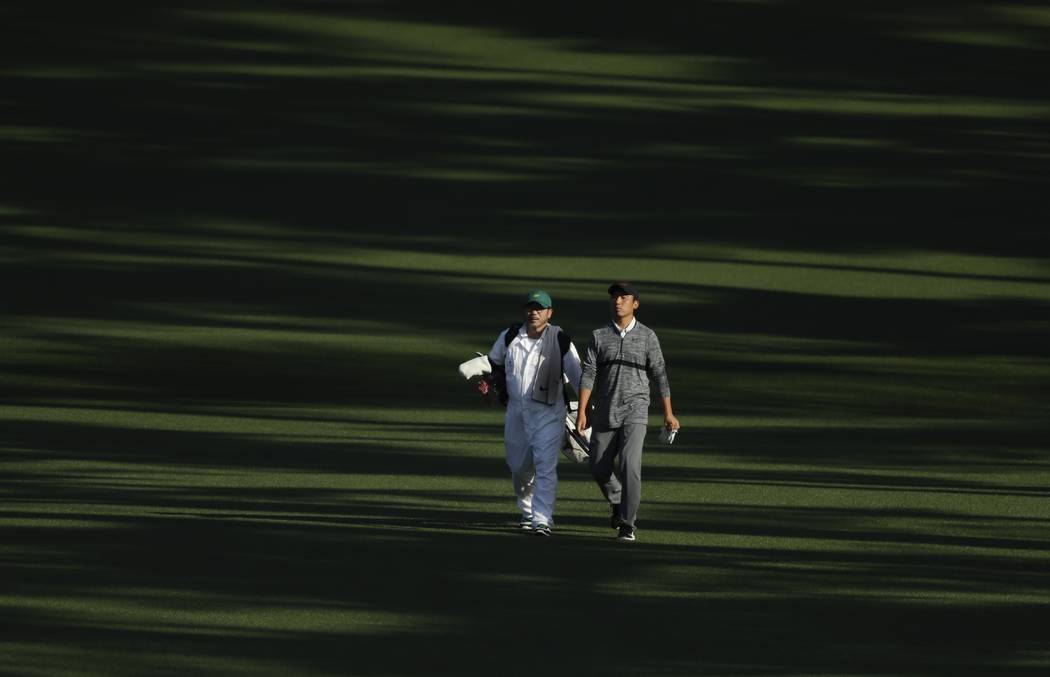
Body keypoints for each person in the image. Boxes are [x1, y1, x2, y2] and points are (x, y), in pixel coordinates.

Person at [576, 282, 679, 542]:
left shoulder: (647, 336)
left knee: (630, 466)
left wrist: (668, 413)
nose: (617, 301)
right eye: (614, 297)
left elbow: (660, 375)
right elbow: (589, 374)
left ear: (635, 304)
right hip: (604, 411)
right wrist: (583, 410)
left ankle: (627, 524)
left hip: (635, 409)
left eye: (624, 297)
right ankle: (617, 501)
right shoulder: (599, 336)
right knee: (598, 467)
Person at [487, 290, 583, 537]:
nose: (534, 312)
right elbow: (493, 363)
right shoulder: (509, 336)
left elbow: (579, 377)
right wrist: (489, 381)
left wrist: (586, 409)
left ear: (549, 313)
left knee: (545, 465)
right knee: (519, 467)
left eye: (540, 308)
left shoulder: (560, 339)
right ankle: (528, 511)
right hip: (516, 412)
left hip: (549, 413)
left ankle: (542, 519)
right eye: (530, 307)